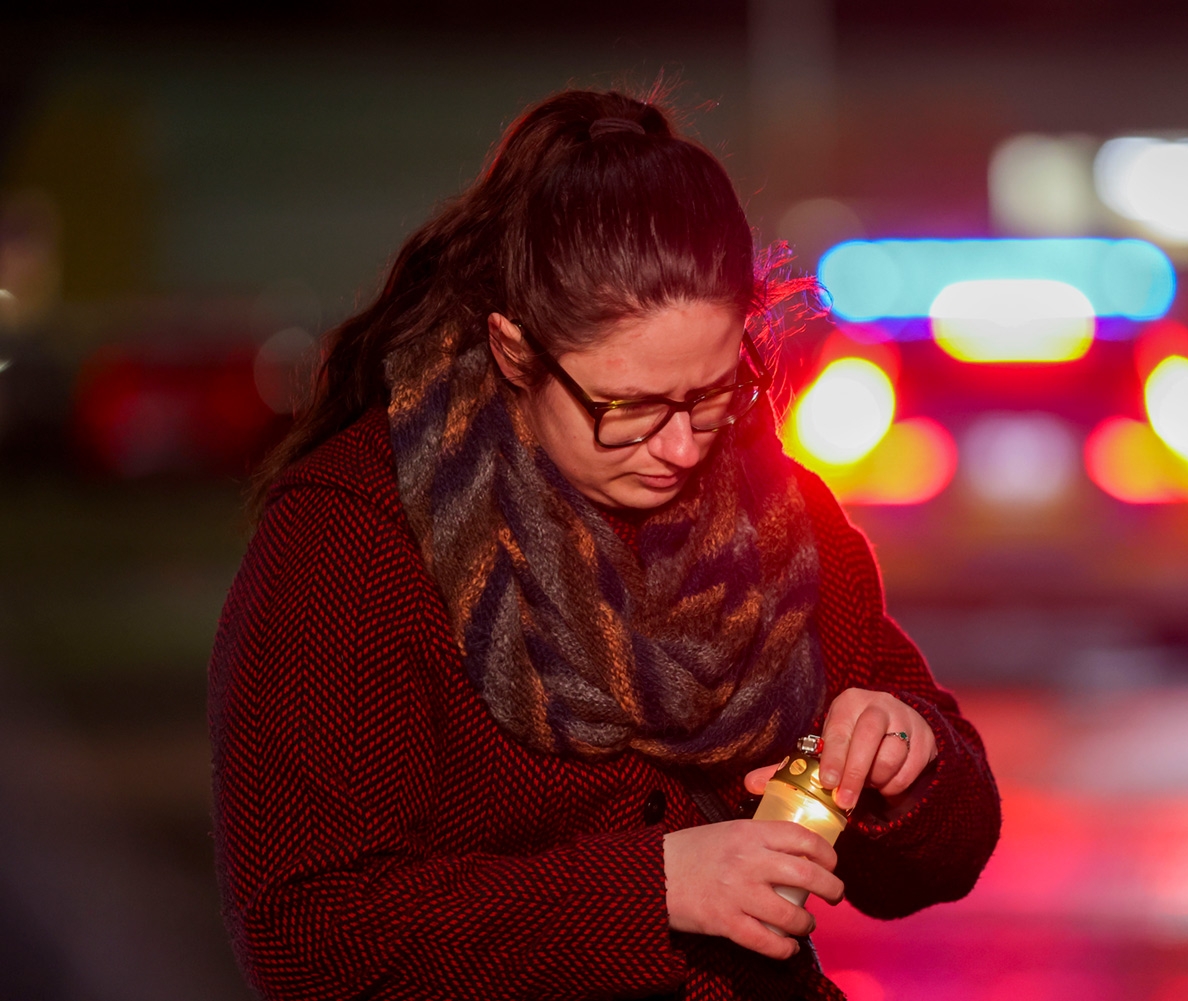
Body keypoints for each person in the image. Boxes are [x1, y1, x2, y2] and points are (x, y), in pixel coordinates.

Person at [209, 87, 1001, 1001]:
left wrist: (913, 761)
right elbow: (307, 932)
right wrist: (653, 892)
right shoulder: (355, 539)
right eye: (628, 407)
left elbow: (949, 852)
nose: (682, 446)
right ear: (515, 350)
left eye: (713, 392)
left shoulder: (776, 512)